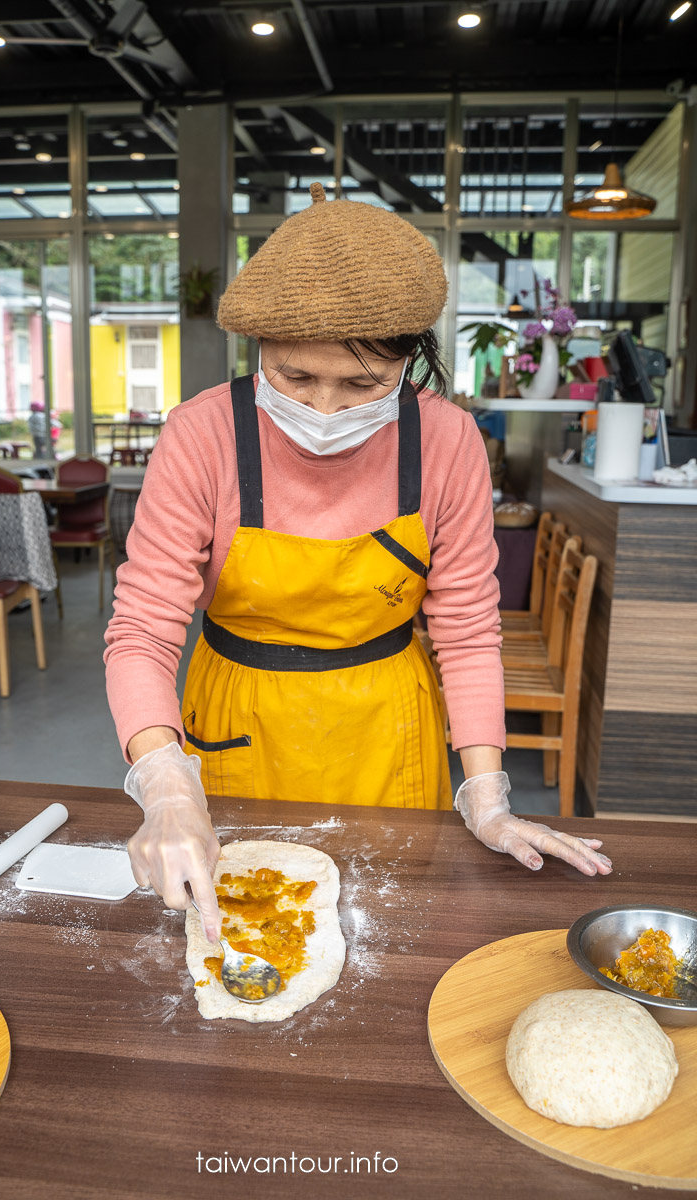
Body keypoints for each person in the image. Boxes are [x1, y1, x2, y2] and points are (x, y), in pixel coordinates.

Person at [104, 184, 612, 941]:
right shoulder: (202, 434)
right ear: (260, 350)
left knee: (395, 932)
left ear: (410, 361)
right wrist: (167, 785)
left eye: (361, 384)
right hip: (241, 718)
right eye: (295, 377)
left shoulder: (445, 442)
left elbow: (468, 632)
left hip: (388, 726)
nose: (326, 410)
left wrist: (487, 793)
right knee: (246, 934)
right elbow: (144, 629)